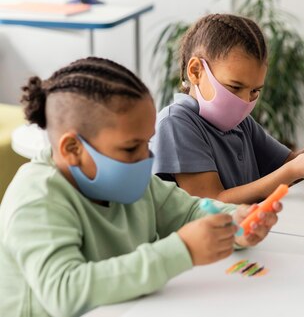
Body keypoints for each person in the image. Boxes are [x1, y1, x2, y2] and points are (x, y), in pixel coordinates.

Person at [0, 57, 280, 317]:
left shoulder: (132, 180)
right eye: (131, 147)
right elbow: (64, 290)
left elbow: (190, 210)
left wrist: (236, 223)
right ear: (73, 148)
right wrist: (182, 250)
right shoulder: (38, 198)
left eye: (146, 143)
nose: (145, 158)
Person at [151, 14, 304, 204]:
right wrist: (291, 171)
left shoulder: (241, 124)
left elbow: (288, 167)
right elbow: (213, 202)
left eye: (254, 91)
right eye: (235, 87)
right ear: (196, 71)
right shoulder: (176, 124)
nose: (244, 100)